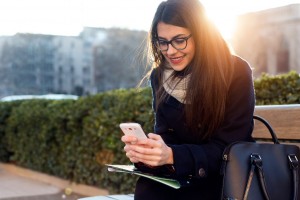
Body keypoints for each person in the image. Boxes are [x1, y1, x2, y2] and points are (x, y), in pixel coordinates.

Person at [121, 0, 255, 199]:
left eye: (179, 39)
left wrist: (172, 155)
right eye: (163, 41)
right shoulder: (159, 76)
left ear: (201, 36)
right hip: (182, 176)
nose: (170, 51)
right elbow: (167, 136)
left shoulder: (235, 71)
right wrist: (149, 154)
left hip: (223, 178)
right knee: (147, 190)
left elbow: (231, 148)